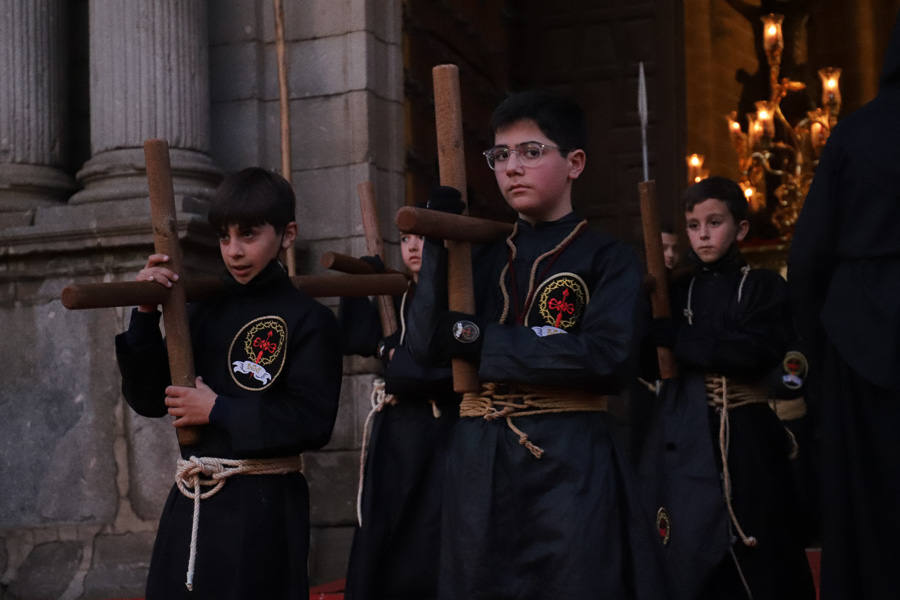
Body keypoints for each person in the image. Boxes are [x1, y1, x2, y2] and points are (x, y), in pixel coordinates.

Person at [406, 90, 664, 600]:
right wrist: (438, 246)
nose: (511, 168)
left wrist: (481, 338)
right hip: (481, 459)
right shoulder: (479, 259)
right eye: (500, 156)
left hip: (569, 460)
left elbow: (605, 356)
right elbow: (425, 346)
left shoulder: (608, 258)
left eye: (530, 151)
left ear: (575, 163)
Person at [115, 167, 342, 599]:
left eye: (248, 235)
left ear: (287, 234)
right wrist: (144, 316)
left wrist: (217, 409)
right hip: (193, 502)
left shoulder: (310, 320)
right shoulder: (200, 309)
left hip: (265, 512)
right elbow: (148, 399)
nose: (234, 251)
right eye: (224, 237)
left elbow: (313, 422)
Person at [641, 176, 814, 600]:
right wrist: (647, 318)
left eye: (714, 222)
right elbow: (648, 361)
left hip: (748, 435)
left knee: (759, 538)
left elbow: (752, 352)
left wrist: (679, 340)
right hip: (689, 436)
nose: (702, 234)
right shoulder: (676, 289)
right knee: (693, 540)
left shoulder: (762, 286)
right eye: (693, 225)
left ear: (740, 229)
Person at [788, 11, 900, 599]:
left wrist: (820, 351)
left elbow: (807, 257)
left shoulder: (855, 133)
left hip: (863, 344)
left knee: (871, 510)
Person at [340, 230, 458, 600]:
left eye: (423, 237)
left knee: (428, 529)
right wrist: (364, 286)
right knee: (386, 523)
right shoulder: (399, 294)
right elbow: (358, 340)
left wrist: (404, 363)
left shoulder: (458, 293)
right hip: (395, 429)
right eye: (405, 237)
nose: (412, 245)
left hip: (440, 429)